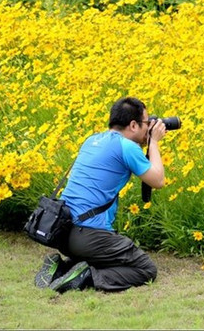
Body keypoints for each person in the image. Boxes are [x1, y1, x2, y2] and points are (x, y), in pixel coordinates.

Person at [34, 97, 167, 293]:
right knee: (145, 269)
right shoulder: (126, 147)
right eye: (147, 123)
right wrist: (154, 142)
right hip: (88, 236)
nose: (149, 127)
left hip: (62, 232)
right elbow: (158, 180)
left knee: (103, 255)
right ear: (133, 125)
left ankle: (62, 267)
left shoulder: (91, 140)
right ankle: (87, 276)